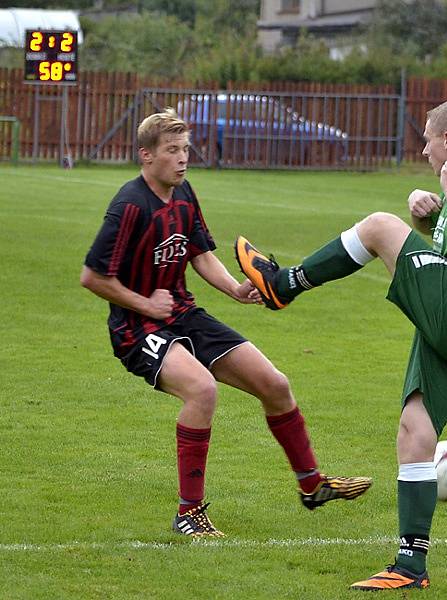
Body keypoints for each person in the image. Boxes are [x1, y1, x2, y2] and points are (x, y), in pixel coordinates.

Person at [235, 100, 447, 589]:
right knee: (415, 430)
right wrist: (429, 219)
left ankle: (282, 285)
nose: (423, 150)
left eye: (428, 140)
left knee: (377, 226)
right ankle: (411, 566)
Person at [80, 108, 372, 538]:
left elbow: (199, 252)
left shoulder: (183, 193)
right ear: (146, 156)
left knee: (275, 384)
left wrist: (236, 289)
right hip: (136, 329)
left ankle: (312, 485)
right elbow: (92, 276)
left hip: (184, 315)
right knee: (201, 390)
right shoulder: (128, 206)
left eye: (185, 149)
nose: (183, 159)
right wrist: (145, 302)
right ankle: (189, 513)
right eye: (172, 151)